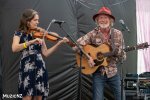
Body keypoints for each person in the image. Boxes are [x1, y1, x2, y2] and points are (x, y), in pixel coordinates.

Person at [12, 9, 69, 100]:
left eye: (38, 20)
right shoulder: (19, 33)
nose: (38, 22)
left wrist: (59, 43)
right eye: (35, 20)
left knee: (39, 96)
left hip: (40, 68)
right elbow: (14, 48)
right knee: (27, 95)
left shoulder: (39, 34)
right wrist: (31, 41)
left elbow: (45, 53)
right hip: (27, 67)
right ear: (27, 21)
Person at [73, 7, 126, 100]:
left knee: (121, 97)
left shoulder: (118, 34)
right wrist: (88, 57)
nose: (103, 20)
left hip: (113, 71)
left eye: (106, 18)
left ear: (110, 20)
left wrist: (120, 54)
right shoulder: (92, 34)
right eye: (101, 18)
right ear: (97, 21)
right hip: (98, 73)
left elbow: (123, 56)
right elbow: (76, 45)